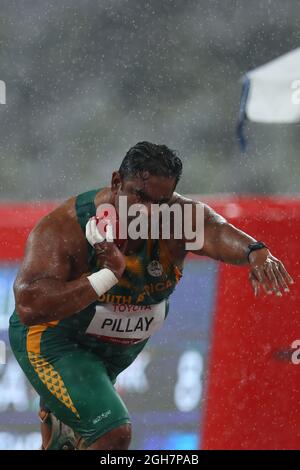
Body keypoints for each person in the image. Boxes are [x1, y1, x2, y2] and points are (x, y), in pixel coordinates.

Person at [9, 141, 293, 450]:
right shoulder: (67, 226)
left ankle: (62, 425)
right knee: (113, 432)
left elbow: (215, 230)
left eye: (160, 202)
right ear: (116, 183)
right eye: (139, 196)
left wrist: (255, 252)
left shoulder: (179, 218)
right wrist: (106, 276)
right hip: (54, 342)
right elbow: (29, 305)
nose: (147, 212)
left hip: (111, 353)